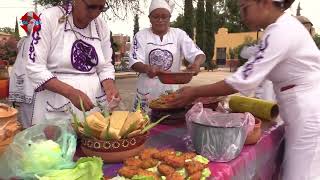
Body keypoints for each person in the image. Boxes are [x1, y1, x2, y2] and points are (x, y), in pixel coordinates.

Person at [170, 0, 320, 179]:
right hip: (299, 109)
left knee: (301, 174)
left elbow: (243, 80)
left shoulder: (282, 31)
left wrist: (195, 91)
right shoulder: (278, 29)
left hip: (308, 111)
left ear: (264, 3)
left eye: (244, 8)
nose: (242, 15)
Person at [26, 0, 120, 125]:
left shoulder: (100, 25)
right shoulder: (47, 18)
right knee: (58, 143)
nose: (95, 14)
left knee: (92, 141)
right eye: (91, 7)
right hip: (57, 104)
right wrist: (70, 92)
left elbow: (106, 65)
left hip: (94, 102)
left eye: (101, 8)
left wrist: (109, 86)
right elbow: (35, 67)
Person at [129, 0, 205, 112]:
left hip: (171, 90)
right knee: (143, 123)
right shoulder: (141, 35)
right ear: (150, 18)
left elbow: (198, 54)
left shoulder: (179, 34)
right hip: (146, 89)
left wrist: (196, 63)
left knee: (168, 123)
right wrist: (147, 68)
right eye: (156, 17)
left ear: (170, 18)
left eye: (164, 17)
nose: (160, 20)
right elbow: (134, 61)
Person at [9, 12, 37, 128]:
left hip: (33, 78)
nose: (28, 25)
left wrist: (34, 18)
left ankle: (33, 130)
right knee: (25, 106)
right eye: (27, 23)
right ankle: (27, 130)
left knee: (34, 106)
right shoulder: (24, 40)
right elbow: (18, 55)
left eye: (32, 22)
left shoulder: (38, 39)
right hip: (21, 76)